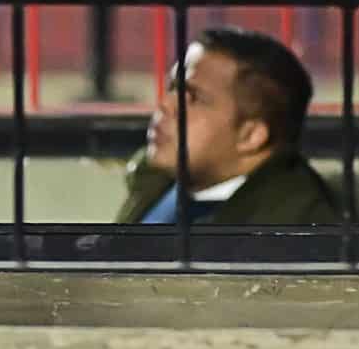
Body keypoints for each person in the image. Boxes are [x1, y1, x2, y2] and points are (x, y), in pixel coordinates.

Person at [116, 27, 343, 225]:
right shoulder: (157, 177)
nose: (165, 104)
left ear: (251, 136)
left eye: (193, 97)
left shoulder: (292, 227)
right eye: (172, 88)